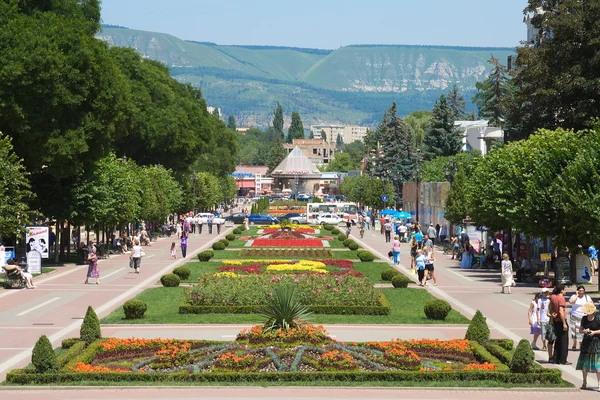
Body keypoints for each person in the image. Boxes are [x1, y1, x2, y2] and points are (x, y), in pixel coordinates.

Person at [576, 302, 600, 390]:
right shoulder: (584, 318)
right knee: (584, 364)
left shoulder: (598, 317)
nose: (586, 313)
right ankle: (584, 382)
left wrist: (594, 332)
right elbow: (580, 329)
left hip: (596, 343)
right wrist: (584, 331)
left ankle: (599, 383)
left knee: (598, 365)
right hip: (586, 342)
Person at [550, 284, 570, 365]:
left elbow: (550, 308)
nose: (566, 291)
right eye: (565, 289)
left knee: (557, 340)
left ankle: (556, 358)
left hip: (555, 321)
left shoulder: (553, 297)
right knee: (564, 341)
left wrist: (552, 314)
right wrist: (564, 323)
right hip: (561, 321)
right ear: (561, 290)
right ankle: (563, 360)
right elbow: (561, 311)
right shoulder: (561, 298)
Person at [569, 285, 593, 351]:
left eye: (582, 291)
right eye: (580, 291)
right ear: (577, 291)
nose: (581, 292)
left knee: (581, 331)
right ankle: (574, 344)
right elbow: (571, 302)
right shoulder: (574, 296)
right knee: (574, 331)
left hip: (583, 317)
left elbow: (591, 304)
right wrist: (576, 295)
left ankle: (581, 345)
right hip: (574, 316)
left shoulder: (586, 297)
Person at [539, 288, 552, 354]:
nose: (546, 294)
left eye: (547, 292)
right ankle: (544, 345)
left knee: (550, 332)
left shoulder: (550, 300)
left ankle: (549, 344)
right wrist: (538, 319)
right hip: (543, 318)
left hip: (549, 319)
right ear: (542, 293)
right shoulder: (540, 300)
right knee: (543, 333)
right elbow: (538, 310)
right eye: (544, 292)